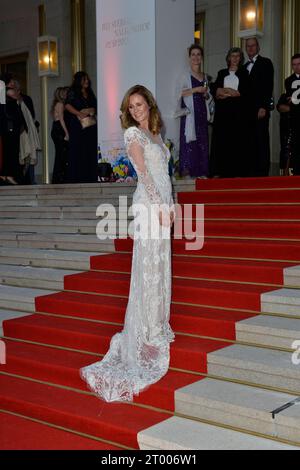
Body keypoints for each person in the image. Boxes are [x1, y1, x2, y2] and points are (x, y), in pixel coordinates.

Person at [80, 85, 175, 403]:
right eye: (130, 107)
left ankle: (157, 324)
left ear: (149, 103)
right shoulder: (133, 135)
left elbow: (165, 174)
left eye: (139, 104)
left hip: (163, 205)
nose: (135, 110)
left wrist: (171, 203)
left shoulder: (158, 134)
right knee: (148, 268)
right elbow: (144, 175)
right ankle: (146, 331)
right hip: (149, 207)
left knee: (160, 267)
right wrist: (161, 205)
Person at [210, 47, 249, 178]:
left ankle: (236, 172)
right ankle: (220, 171)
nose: (235, 59)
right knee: (222, 141)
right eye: (233, 56)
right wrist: (225, 91)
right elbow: (216, 89)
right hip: (222, 113)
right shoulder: (221, 73)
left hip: (238, 114)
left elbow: (242, 93)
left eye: (238, 56)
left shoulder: (244, 73)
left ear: (240, 58)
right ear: (228, 58)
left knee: (236, 142)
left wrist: (226, 91)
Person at [176, 44, 210, 178]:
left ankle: (202, 172)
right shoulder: (185, 75)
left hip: (201, 112)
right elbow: (178, 93)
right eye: (193, 54)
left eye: (198, 54)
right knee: (189, 141)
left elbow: (208, 96)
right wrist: (196, 90)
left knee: (202, 141)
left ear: (201, 58)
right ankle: (188, 171)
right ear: (189, 58)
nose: (196, 57)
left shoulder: (205, 76)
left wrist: (207, 95)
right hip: (190, 113)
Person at [244, 37, 274, 177]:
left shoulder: (266, 62)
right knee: (249, 141)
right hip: (247, 112)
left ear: (258, 47)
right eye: (248, 46)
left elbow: (268, 86)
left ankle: (263, 172)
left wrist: (264, 107)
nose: (250, 48)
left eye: (253, 45)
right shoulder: (243, 67)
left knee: (261, 140)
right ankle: (251, 171)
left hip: (260, 109)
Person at [65, 72, 98, 183]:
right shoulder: (73, 92)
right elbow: (67, 105)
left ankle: (90, 176)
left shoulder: (90, 92)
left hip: (91, 124)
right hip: (78, 125)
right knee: (78, 149)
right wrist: (79, 113)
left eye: (87, 79)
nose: (87, 81)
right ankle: (77, 177)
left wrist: (91, 110)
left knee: (90, 148)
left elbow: (95, 106)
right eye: (84, 79)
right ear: (79, 80)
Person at [285, 54, 300, 175]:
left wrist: (296, 99)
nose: (296, 67)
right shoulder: (288, 81)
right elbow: (291, 100)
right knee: (295, 147)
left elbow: (295, 99)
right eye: (294, 64)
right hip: (295, 119)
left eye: (299, 64)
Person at [51, 87, 70, 184]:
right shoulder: (60, 104)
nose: (66, 94)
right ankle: (59, 178)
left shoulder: (57, 104)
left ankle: (58, 178)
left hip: (56, 129)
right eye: (63, 93)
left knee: (60, 154)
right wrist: (66, 133)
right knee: (61, 155)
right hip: (59, 129)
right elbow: (62, 120)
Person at [277, 93, 293, 176]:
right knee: (286, 151)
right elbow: (280, 107)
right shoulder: (284, 96)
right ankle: (284, 175)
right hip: (286, 128)